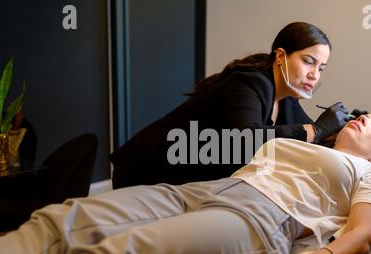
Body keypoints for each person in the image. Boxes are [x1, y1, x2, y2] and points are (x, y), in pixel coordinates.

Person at [0, 113, 371, 254]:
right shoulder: (303, 143)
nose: (362, 118)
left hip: (257, 220)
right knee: (63, 219)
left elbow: (364, 236)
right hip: (203, 191)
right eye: (362, 115)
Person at [109, 22, 355, 188]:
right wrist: (318, 130)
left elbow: (312, 139)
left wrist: (347, 127)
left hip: (190, 177)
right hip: (147, 170)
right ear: (281, 56)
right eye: (309, 62)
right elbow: (245, 139)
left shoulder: (287, 102)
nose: (315, 75)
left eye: (321, 68)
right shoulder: (248, 83)